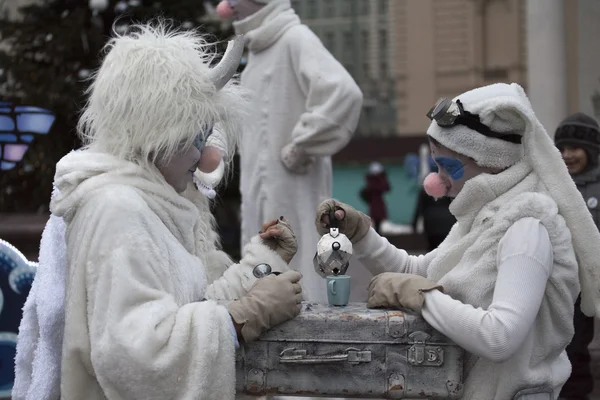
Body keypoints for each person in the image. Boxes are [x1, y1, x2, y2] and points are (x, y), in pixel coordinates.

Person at [13, 23, 303, 400]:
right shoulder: (118, 210)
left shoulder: (149, 204)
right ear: (161, 131)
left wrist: (261, 264)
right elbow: (132, 354)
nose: (201, 154)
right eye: (196, 135)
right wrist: (238, 318)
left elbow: (190, 300)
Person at [315, 83, 600, 399]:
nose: (436, 181)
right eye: (435, 167)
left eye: (448, 167)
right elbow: (422, 271)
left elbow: (499, 336)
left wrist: (423, 299)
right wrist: (362, 234)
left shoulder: (527, 227)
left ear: (491, 159)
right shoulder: (485, 218)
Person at [216, 0, 363, 303]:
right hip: (261, 193)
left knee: (302, 268)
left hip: (294, 190)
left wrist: (303, 144)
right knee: (263, 273)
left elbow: (344, 94)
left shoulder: (295, 38)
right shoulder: (257, 53)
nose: (228, 3)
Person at [555, 112, 600, 400]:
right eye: (562, 149)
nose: (567, 155)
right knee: (565, 346)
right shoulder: (553, 184)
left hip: (590, 281)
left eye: (574, 149)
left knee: (578, 346)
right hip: (561, 282)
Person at [412, 166, 456, 251]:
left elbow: (419, 208)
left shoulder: (425, 190)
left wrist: (414, 223)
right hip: (447, 223)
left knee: (432, 250)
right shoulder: (449, 189)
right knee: (446, 249)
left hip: (430, 224)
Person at [359, 162, 391, 233]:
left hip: (377, 203)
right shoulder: (372, 182)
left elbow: (387, 188)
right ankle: (377, 235)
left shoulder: (373, 181)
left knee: (378, 222)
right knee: (376, 222)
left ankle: (378, 234)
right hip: (375, 203)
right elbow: (381, 187)